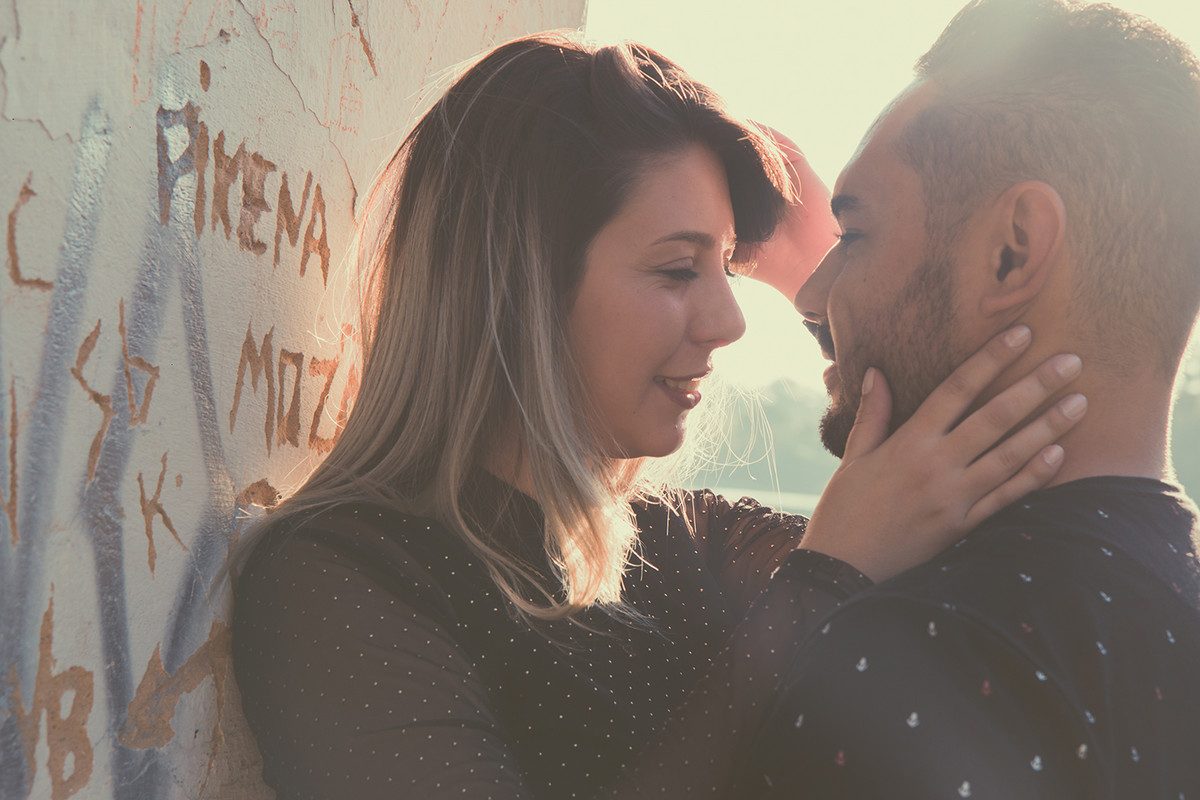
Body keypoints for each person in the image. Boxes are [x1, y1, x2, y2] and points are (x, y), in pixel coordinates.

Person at [229, 33, 1085, 800]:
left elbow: (960, 516)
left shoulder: (676, 545)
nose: (730, 321)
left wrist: (825, 282)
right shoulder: (340, 580)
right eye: (679, 272)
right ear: (517, 286)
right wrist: (826, 581)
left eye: (727, 266)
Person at [726, 1, 1200, 797]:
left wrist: (821, 590)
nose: (818, 292)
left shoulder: (908, 654)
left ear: (1013, 254)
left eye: (856, 235)